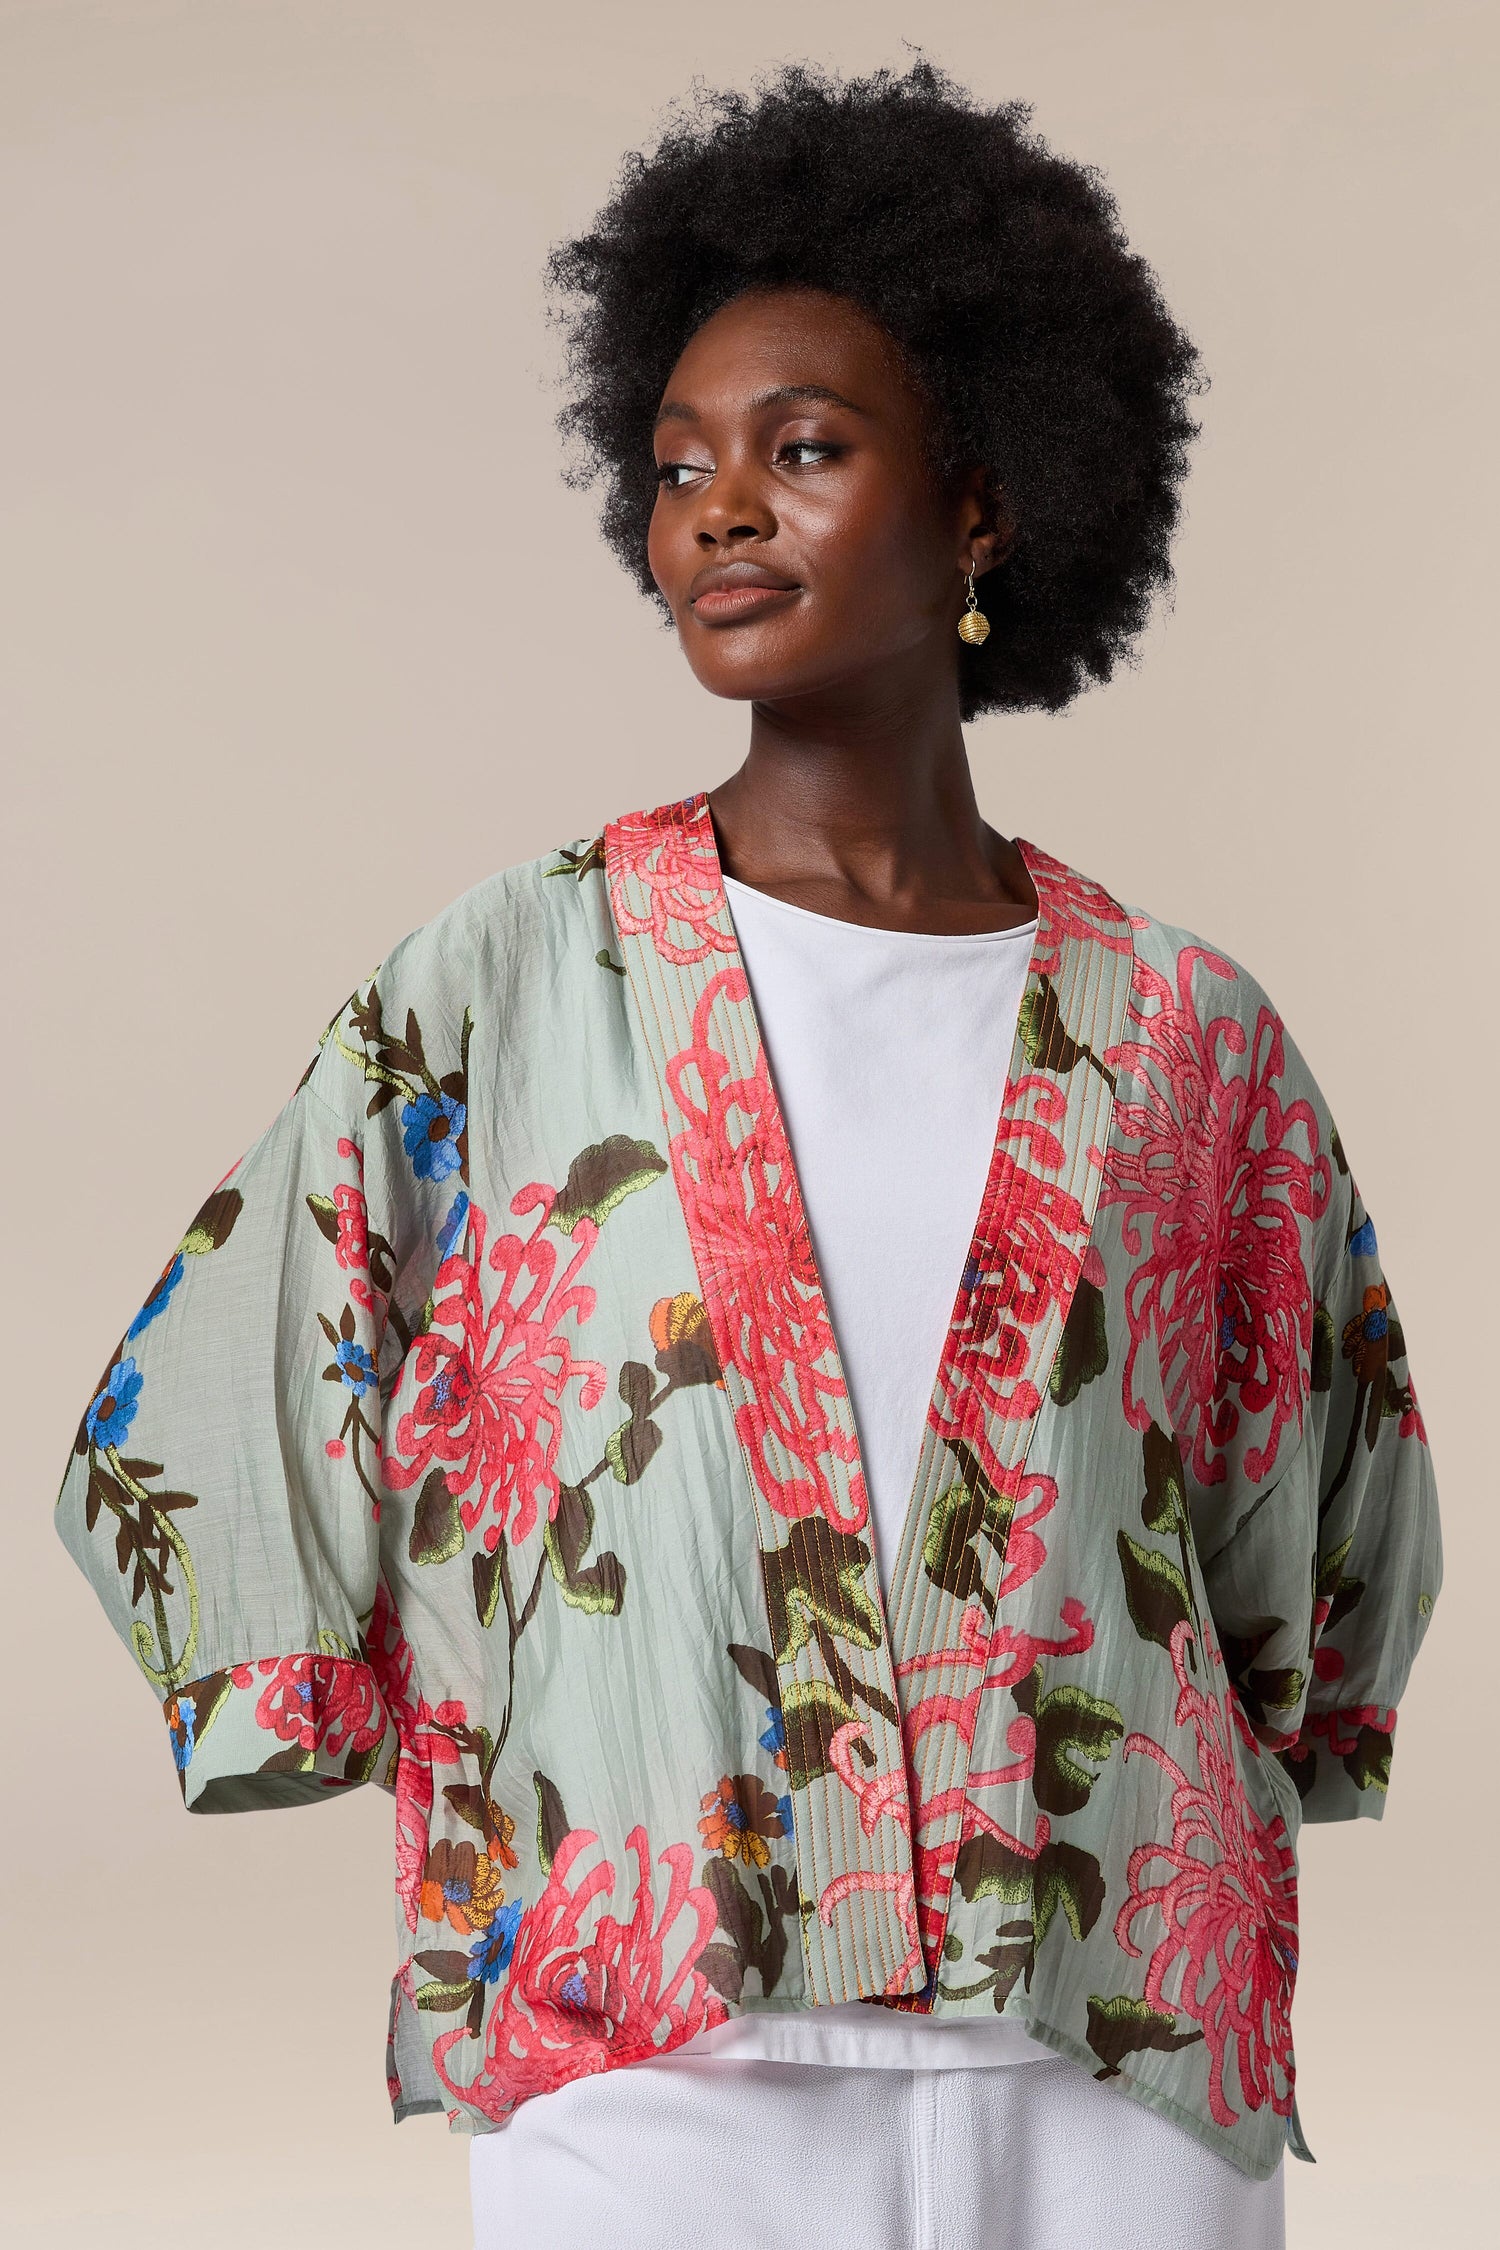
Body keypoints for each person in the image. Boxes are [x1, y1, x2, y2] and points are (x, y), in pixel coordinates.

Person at [55, 58, 1441, 2250]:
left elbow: (1315, 1496)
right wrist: (316, 1687)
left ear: (982, 503)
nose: (717, 510)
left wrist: (1302, 1717)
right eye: (679, 463)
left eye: (801, 451)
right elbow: (233, 1364)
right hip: (645, 2048)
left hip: (1115, 2055)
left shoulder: (1195, 1035)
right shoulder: (503, 981)